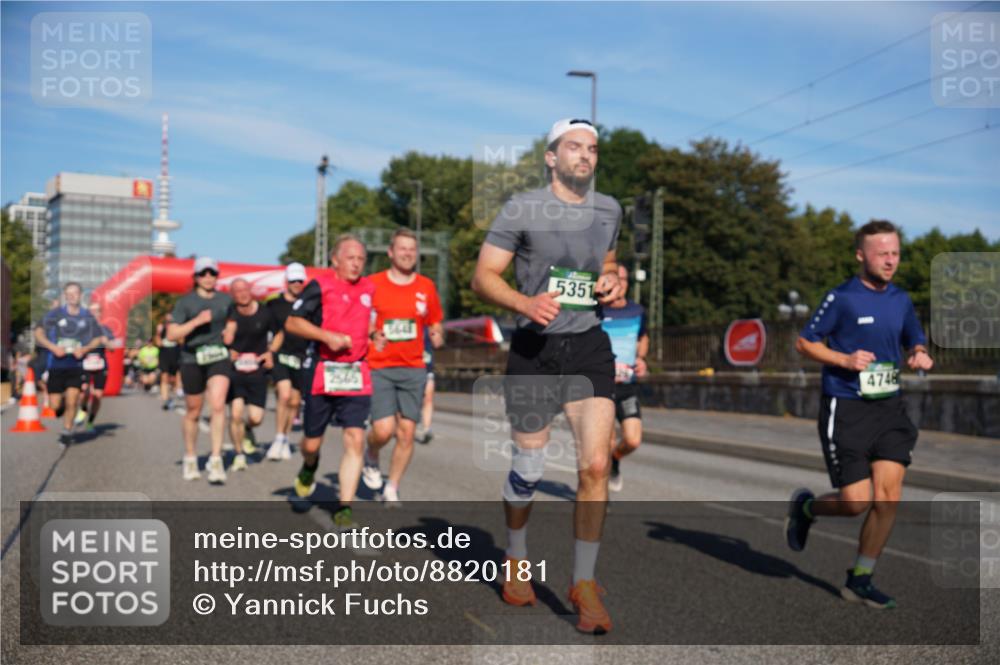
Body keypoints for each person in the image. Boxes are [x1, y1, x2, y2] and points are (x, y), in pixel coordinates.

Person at [470, 118, 624, 634]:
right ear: (551, 157)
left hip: (588, 347)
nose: (585, 156)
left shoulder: (609, 209)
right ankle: (515, 555)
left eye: (592, 149)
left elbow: (610, 263)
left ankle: (583, 583)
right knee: (529, 471)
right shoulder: (522, 208)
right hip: (535, 349)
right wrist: (523, 301)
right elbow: (483, 276)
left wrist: (612, 282)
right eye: (574, 147)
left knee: (596, 466)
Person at [785, 219, 934, 610]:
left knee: (888, 498)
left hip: (890, 409)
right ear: (860, 255)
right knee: (855, 502)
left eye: (895, 253)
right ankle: (806, 508)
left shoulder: (901, 299)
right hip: (846, 406)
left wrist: (918, 351)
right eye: (882, 253)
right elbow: (805, 342)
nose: (890, 260)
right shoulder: (842, 298)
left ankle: (860, 577)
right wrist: (844, 359)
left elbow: (913, 336)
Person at [285, 235, 374, 531]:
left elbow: (376, 319)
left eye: (361, 258)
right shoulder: (319, 285)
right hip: (323, 369)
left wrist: (378, 335)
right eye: (350, 257)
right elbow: (293, 322)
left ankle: (344, 506)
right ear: (334, 260)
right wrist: (327, 336)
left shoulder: (369, 288)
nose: (357, 263)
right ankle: (309, 466)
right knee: (311, 443)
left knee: (355, 439)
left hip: (356, 372)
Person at [361, 228, 444, 507]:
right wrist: (373, 333)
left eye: (412, 249)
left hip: (414, 367)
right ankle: (371, 454)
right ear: (390, 252)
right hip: (380, 365)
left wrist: (437, 334)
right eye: (402, 248)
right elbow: (363, 320)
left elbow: (434, 320)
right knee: (383, 430)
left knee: (407, 432)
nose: (408, 253)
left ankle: (392, 486)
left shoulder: (426, 286)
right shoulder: (372, 284)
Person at [168, 257, 233, 484]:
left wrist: (231, 332)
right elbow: (172, 334)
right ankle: (191, 457)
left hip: (218, 356)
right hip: (192, 357)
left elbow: (234, 320)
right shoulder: (186, 302)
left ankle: (216, 460)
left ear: (217, 276)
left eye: (212, 273)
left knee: (217, 405)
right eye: (203, 273)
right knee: (194, 410)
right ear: (195, 277)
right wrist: (196, 322)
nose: (208, 277)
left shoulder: (226, 299)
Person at [34, 282, 103, 444]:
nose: (72, 296)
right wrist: (52, 347)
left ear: (80, 295)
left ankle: (67, 430)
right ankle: (62, 407)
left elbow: (97, 338)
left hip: (76, 365)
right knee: (54, 406)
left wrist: (84, 349)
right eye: (69, 293)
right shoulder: (55, 314)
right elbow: (38, 332)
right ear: (65, 296)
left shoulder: (87, 315)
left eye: (75, 293)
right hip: (56, 364)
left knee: (73, 400)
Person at [600, 264, 649, 492]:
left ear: (626, 283)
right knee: (606, 442)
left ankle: (615, 460)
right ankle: (601, 499)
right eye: (612, 278)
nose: (617, 282)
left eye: (622, 278)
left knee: (632, 440)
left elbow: (643, 337)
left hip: (628, 387)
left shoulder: (637, 311)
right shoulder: (596, 311)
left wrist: (641, 358)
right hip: (602, 388)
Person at [222, 278, 277, 471]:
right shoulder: (229, 312)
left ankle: (248, 430)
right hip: (235, 371)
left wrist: (271, 352)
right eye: (237, 291)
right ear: (233, 294)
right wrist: (226, 349)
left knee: (256, 418)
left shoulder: (264, 312)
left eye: (245, 289)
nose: (242, 294)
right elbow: (222, 337)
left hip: (257, 371)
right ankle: (238, 454)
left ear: (250, 290)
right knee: (235, 415)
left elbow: (279, 334)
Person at [265, 263, 310, 461]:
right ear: (286, 281)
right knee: (283, 395)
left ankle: (284, 437)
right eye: (293, 280)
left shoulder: (309, 305)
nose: (297, 284)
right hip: (280, 354)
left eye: (300, 280)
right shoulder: (274, 305)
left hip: (301, 356)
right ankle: (278, 437)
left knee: (294, 401)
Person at [73, 302, 116, 432]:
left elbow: (113, 348)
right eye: (91, 311)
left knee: (98, 395)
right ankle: (83, 408)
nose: (94, 314)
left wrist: (105, 342)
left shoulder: (105, 329)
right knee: (84, 391)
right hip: (84, 364)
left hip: (100, 364)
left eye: (96, 311)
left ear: (100, 314)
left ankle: (90, 422)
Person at [156, 313, 182, 410]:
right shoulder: (161, 329)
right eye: (167, 321)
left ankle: (177, 392)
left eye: (170, 321)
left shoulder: (178, 327)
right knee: (164, 377)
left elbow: (181, 341)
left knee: (176, 378)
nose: (168, 323)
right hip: (164, 355)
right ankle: (165, 400)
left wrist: (176, 334)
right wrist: (158, 333)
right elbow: (159, 343)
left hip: (176, 354)